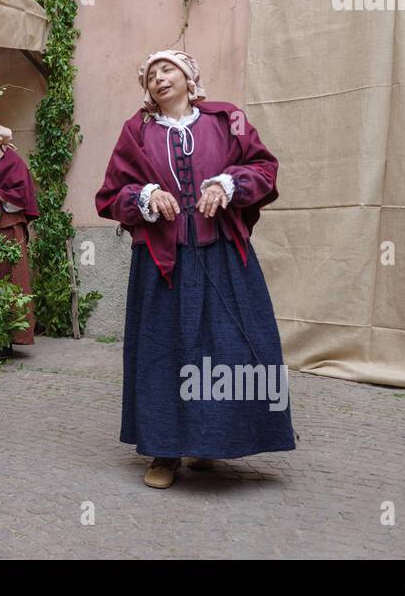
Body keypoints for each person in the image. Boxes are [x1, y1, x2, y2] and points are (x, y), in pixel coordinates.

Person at [94, 49, 295, 489]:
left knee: (226, 350)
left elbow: (265, 170)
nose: (159, 79)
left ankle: (209, 443)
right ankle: (164, 452)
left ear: (189, 78)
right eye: (151, 75)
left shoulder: (227, 121)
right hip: (162, 266)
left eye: (168, 70)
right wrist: (146, 198)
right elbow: (110, 195)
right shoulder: (136, 133)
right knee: (163, 353)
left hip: (222, 258)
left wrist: (229, 185)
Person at [0, 123, 39, 347]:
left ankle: (13, 337)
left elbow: (19, 199)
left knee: (13, 279)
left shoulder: (13, 162)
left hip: (10, 228)